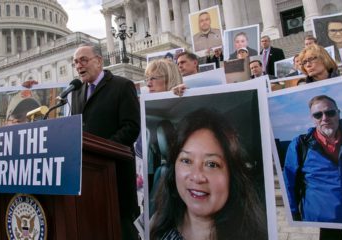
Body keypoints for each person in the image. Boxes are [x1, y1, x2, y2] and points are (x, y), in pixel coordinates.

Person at [150, 108, 267, 240]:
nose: (197, 176)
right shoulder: (155, 225)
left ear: (232, 175)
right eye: (186, 160)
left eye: (211, 164)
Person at [71, 43, 140, 240]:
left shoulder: (122, 86)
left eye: (83, 60)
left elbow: (131, 127)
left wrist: (103, 150)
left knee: (123, 227)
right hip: (88, 174)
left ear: (99, 61)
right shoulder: (76, 92)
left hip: (116, 171)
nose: (78, 65)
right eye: (75, 62)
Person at [283, 95, 342, 240]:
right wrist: (293, 212)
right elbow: (289, 181)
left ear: (338, 113)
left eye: (330, 112)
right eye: (318, 114)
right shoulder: (300, 145)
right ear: (312, 118)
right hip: (326, 218)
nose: (324, 118)